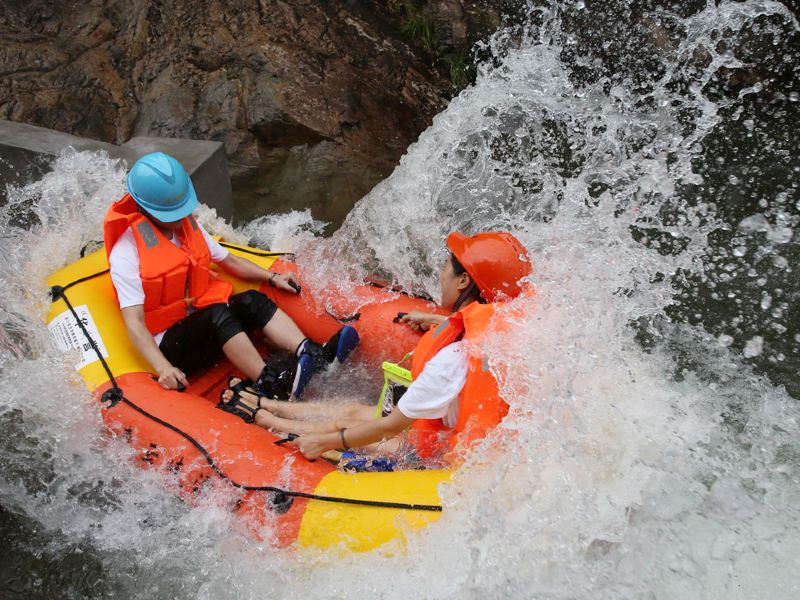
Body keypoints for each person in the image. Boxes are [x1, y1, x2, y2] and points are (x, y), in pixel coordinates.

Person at [219, 231, 532, 461]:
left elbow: (390, 426)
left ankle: (272, 421)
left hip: (443, 457)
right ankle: (274, 408)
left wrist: (329, 443)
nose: (440, 274)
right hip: (458, 437)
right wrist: (435, 320)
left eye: (446, 269)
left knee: (359, 427)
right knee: (357, 410)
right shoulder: (507, 331)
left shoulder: (452, 359)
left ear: (464, 282)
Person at [104, 152, 358, 398]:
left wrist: (271, 277)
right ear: (144, 208)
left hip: (206, 326)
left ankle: (316, 355)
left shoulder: (187, 225)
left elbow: (230, 260)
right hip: (171, 344)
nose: (180, 216)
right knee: (217, 316)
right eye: (172, 213)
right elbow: (135, 323)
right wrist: (164, 368)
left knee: (250, 300)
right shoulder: (126, 252)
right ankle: (272, 384)